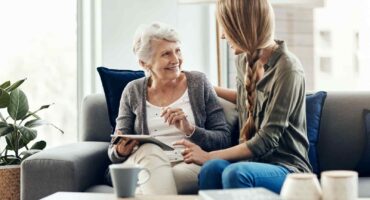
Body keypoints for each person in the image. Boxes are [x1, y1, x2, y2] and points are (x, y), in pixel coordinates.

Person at [174, 0, 312, 194]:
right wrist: (205, 87)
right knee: (211, 170)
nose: (222, 36)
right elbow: (247, 98)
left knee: (235, 173)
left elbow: (266, 140)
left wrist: (209, 155)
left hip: (287, 169)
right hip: (249, 163)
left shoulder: (287, 68)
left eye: (226, 28)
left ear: (244, 27)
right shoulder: (242, 59)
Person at [108, 22, 231, 195]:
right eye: (166, 54)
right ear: (144, 63)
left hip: (186, 164)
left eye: (178, 50)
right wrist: (120, 150)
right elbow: (114, 148)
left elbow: (224, 139)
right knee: (149, 151)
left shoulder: (199, 83)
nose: (176, 60)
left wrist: (190, 129)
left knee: (146, 181)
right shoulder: (132, 90)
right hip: (143, 161)